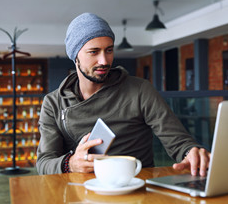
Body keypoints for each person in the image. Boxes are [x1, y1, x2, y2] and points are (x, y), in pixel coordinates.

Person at [36, 13, 210, 176]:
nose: (104, 61)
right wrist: (70, 164)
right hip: (82, 191)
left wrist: (191, 152)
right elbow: (44, 162)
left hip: (136, 187)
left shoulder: (140, 90)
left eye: (109, 50)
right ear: (75, 56)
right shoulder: (53, 103)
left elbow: (178, 141)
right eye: (94, 52)